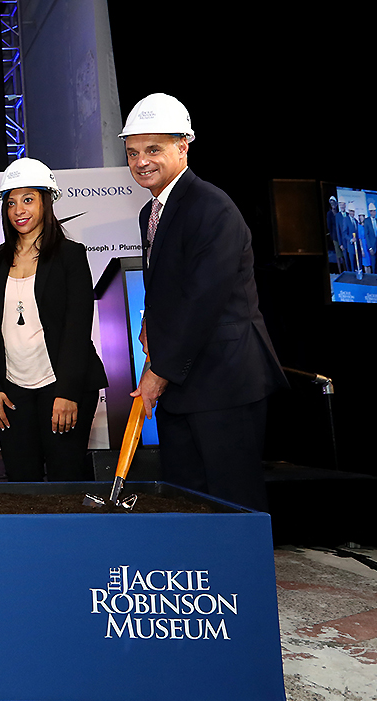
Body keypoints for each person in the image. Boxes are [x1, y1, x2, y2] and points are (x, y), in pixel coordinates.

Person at [122, 93, 286, 511]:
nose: (141, 161)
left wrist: (158, 372)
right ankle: (202, 578)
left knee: (232, 501)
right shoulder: (152, 212)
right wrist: (150, 324)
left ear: (183, 147)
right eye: (133, 152)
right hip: (186, 380)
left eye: (153, 149)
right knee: (188, 497)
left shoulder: (212, 207)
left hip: (224, 380)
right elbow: (172, 287)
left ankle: (241, 578)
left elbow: (202, 301)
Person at [0, 158, 108, 481]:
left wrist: (69, 392)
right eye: (11, 202)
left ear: (46, 202)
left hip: (62, 388)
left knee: (66, 481)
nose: (19, 210)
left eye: (28, 199)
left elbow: (78, 328)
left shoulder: (70, 256)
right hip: (11, 392)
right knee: (21, 484)